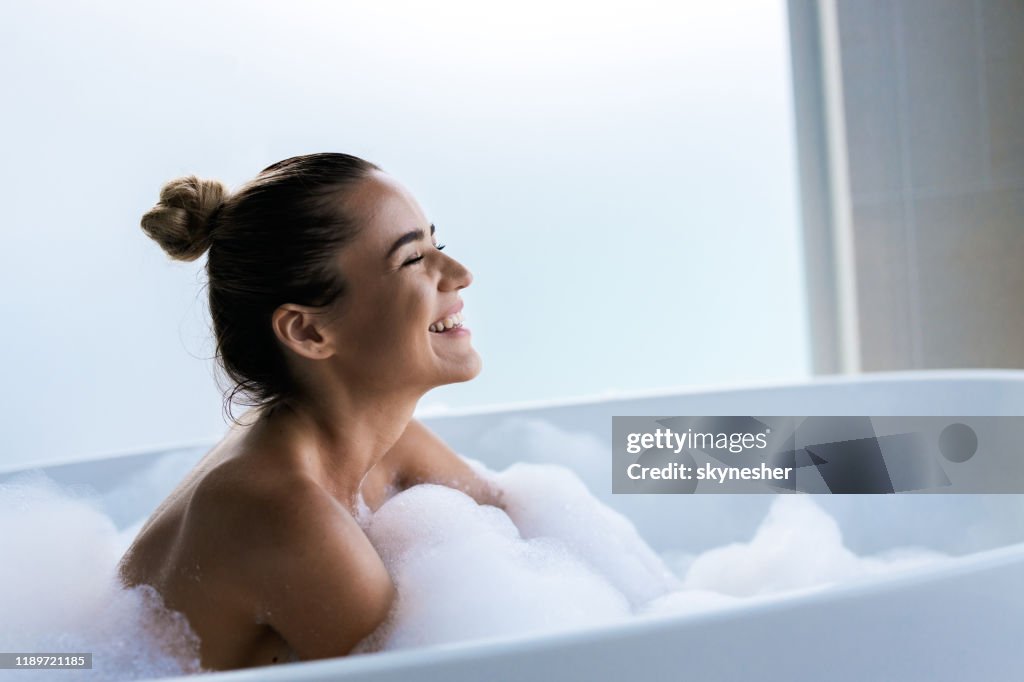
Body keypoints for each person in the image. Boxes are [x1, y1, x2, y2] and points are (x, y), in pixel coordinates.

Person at [116, 153, 505, 672]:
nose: (459, 274)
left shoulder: (376, 440)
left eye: (439, 246)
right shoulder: (284, 512)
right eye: (413, 259)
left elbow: (522, 527)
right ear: (309, 332)